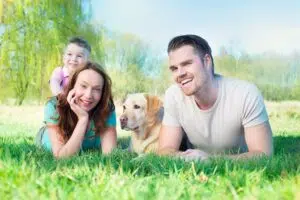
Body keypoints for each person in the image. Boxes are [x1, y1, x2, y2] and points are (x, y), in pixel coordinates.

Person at [158, 34, 273, 160]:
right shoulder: (173, 96)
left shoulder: (246, 93)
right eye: (174, 68)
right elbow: (164, 150)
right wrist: (186, 158)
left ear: (207, 61)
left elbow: (263, 154)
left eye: (187, 64)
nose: (179, 73)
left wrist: (210, 159)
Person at [36, 62, 117, 158]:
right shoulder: (54, 106)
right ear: (72, 85)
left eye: (96, 89)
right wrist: (83, 119)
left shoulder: (106, 108)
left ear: (102, 92)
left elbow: (110, 154)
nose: (88, 95)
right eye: (83, 86)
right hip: (48, 135)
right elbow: (62, 158)